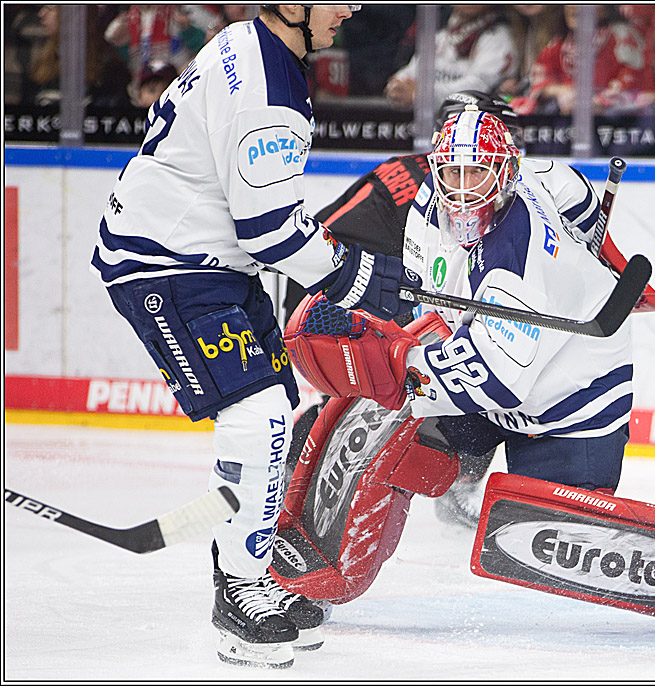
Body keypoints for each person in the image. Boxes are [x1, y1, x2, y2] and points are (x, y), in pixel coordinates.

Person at [89, 4, 421, 669]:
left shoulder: (254, 47)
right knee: (262, 414)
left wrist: (345, 270)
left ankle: (248, 569)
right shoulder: (267, 85)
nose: (351, 8)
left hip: (212, 260)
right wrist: (355, 277)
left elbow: (261, 219)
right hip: (168, 266)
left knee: (271, 407)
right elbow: (269, 230)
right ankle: (240, 590)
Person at [283, 90, 607, 528]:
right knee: (376, 395)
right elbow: (329, 235)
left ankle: (452, 490)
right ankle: (302, 480)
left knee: (463, 379)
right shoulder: (432, 184)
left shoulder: (444, 175)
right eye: (503, 130)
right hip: (342, 292)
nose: (508, 142)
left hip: (379, 288)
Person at [510, 5, 655, 115]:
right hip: (566, 125)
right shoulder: (561, 42)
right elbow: (542, 77)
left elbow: (635, 86)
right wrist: (558, 90)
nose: (574, 6)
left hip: (615, 125)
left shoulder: (623, 38)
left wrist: (591, 102)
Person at [384, 5, 518, 111]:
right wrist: (396, 86)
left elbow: (478, 87)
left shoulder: (499, 34)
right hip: (433, 126)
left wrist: (421, 95)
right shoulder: (441, 26)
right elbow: (413, 70)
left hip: (475, 127)